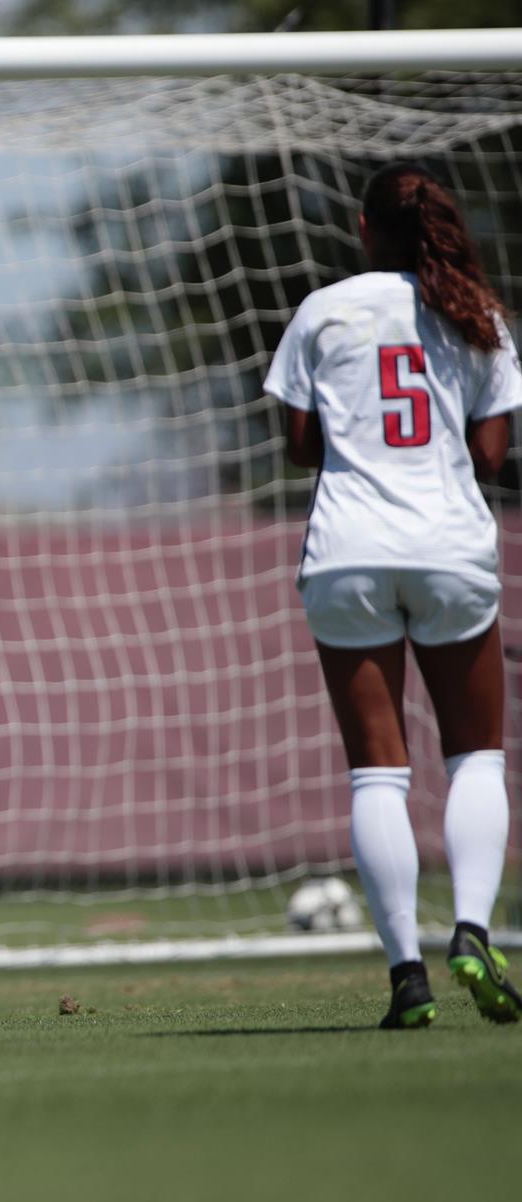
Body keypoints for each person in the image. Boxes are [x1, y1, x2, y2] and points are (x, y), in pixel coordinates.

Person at [263, 164, 522, 1029]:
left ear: (366, 230)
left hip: (349, 552)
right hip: (450, 546)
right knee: (475, 756)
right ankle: (477, 929)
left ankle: (407, 973)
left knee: (378, 764)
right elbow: (491, 453)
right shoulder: (477, 313)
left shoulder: (324, 310)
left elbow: (302, 445)